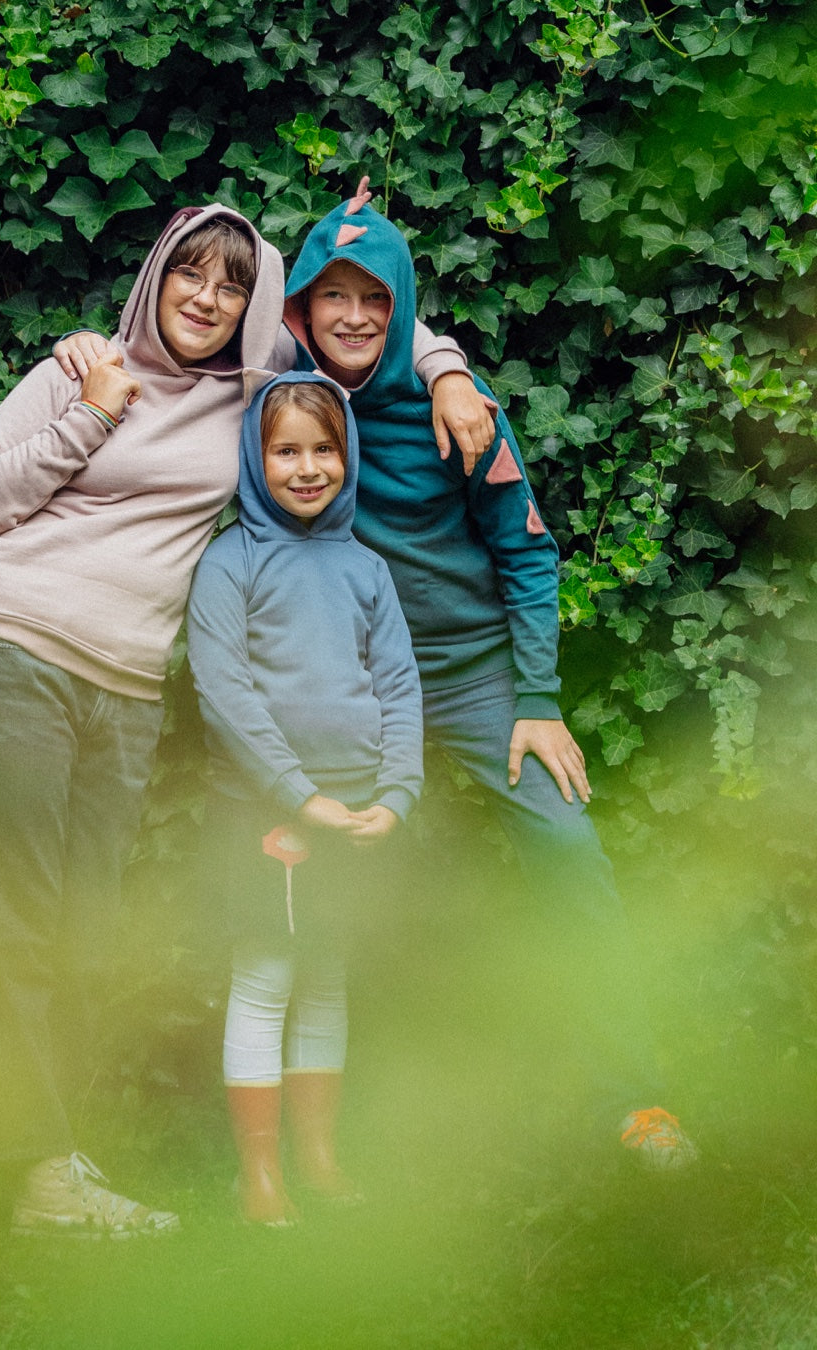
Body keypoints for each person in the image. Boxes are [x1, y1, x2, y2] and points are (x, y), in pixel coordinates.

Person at [0, 201, 490, 1240]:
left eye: (233, 284)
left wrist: (448, 367)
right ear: (155, 277)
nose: (209, 297)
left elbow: (362, 320)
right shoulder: (76, 372)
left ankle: (46, 1159)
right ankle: (34, 1175)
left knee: (81, 924)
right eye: (191, 273)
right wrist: (91, 413)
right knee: (12, 918)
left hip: (126, 691)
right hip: (8, 653)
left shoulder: (253, 384)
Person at [278, 179, 696, 1166]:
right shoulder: (282, 412)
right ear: (299, 310)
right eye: (331, 295)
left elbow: (528, 553)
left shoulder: (460, 415)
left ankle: (637, 1103)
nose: (354, 315)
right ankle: (327, 1136)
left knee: (569, 852)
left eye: (374, 296)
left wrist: (540, 702)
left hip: (475, 681)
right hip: (357, 696)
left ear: (404, 304)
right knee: (309, 876)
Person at [186, 372, 423, 1224]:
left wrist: (394, 795)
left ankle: (319, 1156)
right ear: (256, 457)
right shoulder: (230, 561)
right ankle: (259, 1176)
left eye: (325, 449)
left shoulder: (366, 568)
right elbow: (226, 693)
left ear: (347, 456)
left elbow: (399, 686)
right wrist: (300, 798)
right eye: (286, 450)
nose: (308, 468)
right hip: (266, 814)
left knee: (328, 976)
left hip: (358, 811)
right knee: (267, 975)